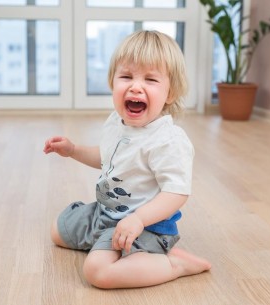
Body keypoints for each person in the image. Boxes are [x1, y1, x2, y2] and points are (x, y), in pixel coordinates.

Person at [43, 30, 211, 289]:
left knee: (97, 273)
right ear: (112, 82)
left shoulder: (167, 140)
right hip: (106, 213)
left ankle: (173, 264)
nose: (135, 86)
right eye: (126, 76)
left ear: (170, 93)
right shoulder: (117, 123)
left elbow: (176, 193)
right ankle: (113, 245)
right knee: (58, 231)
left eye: (151, 79)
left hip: (148, 226)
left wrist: (139, 219)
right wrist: (73, 150)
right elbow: (108, 157)